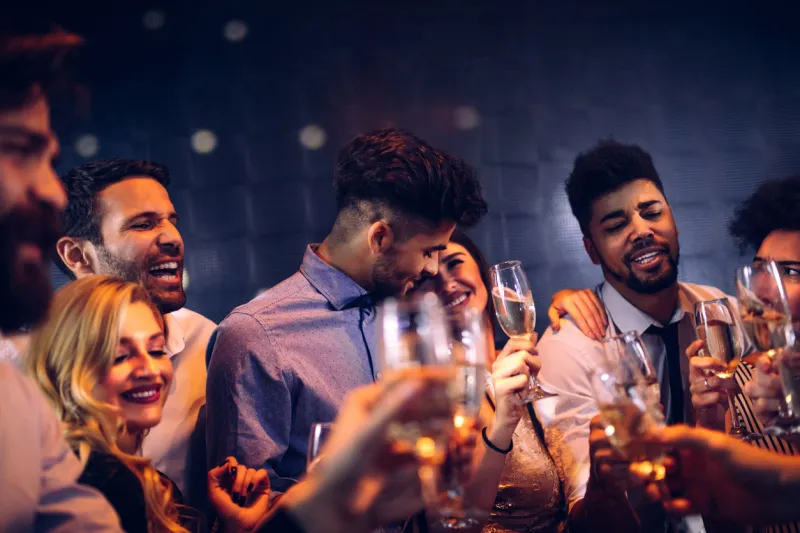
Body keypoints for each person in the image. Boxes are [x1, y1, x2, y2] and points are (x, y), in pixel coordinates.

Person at [206, 128, 488, 491]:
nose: (432, 269)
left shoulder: (412, 314)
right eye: (428, 251)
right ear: (380, 238)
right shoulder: (255, 336)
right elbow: (245, 507)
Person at [533, 139, 745, 533]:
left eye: (651, 212)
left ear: (674, 220)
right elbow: (585, 516)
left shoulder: (718, 308)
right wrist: (603, 480)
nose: (641, 231)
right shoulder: (567, 348)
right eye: (616, 226)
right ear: (592, 250)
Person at [26, 275, 270, 533]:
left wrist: (234, 526)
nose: (149, 369)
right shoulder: (103, 481)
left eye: (156, 350)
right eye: (121, 356)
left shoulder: (127, 476)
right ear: (68, 367)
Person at [0, 29, 123, 530]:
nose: (53, 191)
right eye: (18, 149)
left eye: (50, 159)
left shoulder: (15, 400)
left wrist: (320, 507)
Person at [54, 158, 217, 505]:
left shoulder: (210, 342)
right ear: (77, 255)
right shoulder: (24, 367)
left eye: (173, 222)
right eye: (143, 225)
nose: (173, 238)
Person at [415, 229, 566, 532]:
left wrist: (578, 298)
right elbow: (448, 526)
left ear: (483, 272)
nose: (446, 283)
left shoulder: (526, 362)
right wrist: (501, 426)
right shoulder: (432, 392)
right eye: (427, 277)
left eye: (455, 263)